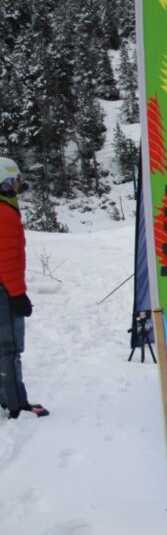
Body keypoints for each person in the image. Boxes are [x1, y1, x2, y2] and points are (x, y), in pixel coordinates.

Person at [0, 157, 49, 419]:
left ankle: (7, 397)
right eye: (15, 180)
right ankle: (15, 402)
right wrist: (18, 294)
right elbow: (7, 258)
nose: (19, 185)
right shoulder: (4, 214)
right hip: (5, 291)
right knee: (9, 348)